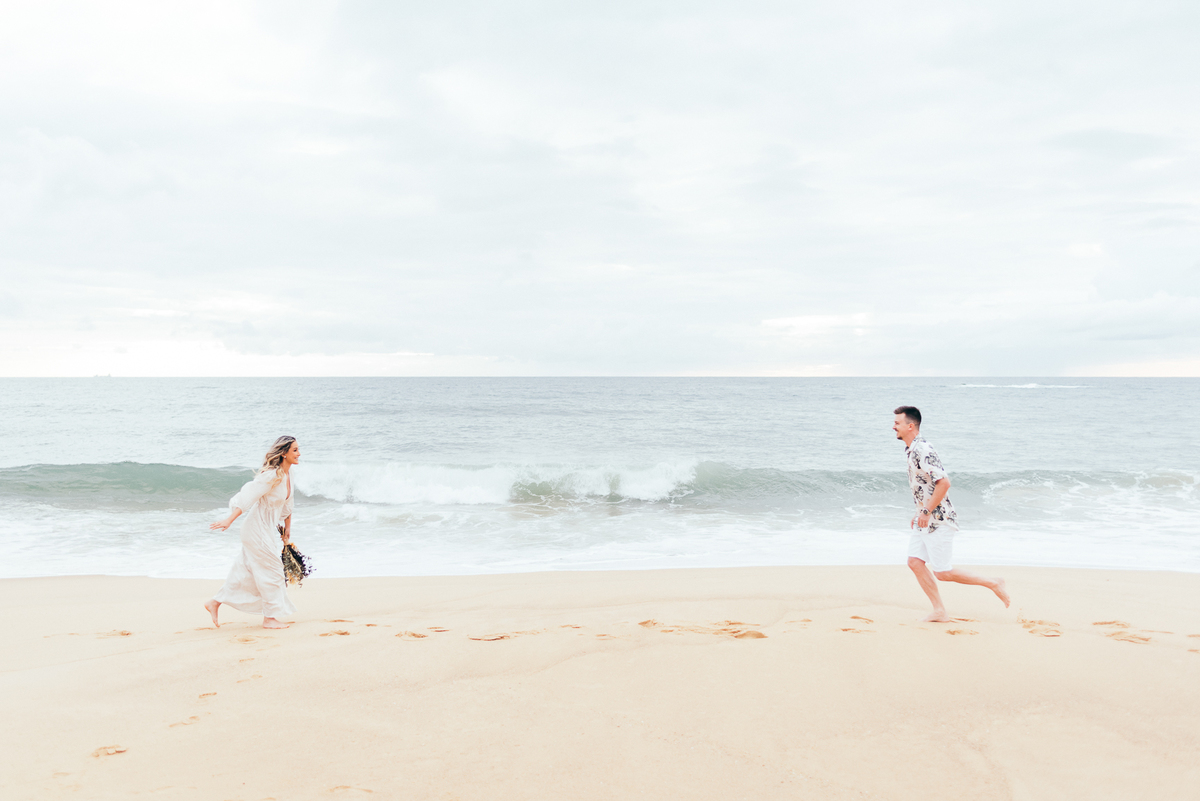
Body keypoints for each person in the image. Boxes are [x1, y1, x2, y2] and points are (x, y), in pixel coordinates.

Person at [893, 406, 1009, 622]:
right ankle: (939, 611)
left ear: (910, 426)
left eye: (897, 423)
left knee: (943, 572)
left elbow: (944, 483)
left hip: (939, 519)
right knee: (915, 562)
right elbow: (924, 485)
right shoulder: (910, 449)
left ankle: (994, 582)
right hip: (925, 517)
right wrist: (919, 511)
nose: (893, 426)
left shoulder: (923, 449)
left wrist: (926, 511)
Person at [204, 436, 300, 629]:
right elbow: (249, 495)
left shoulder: (288, 476)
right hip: (255, 530)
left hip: (266, 530)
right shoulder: (272, 475)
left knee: (246, 572)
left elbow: (287, 504)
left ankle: (215, 602)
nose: (299, 454)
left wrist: (287, 529)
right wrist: (229, 520)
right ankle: (270, 619)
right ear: (284, 453)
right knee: (273, 572)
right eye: (295, 450)